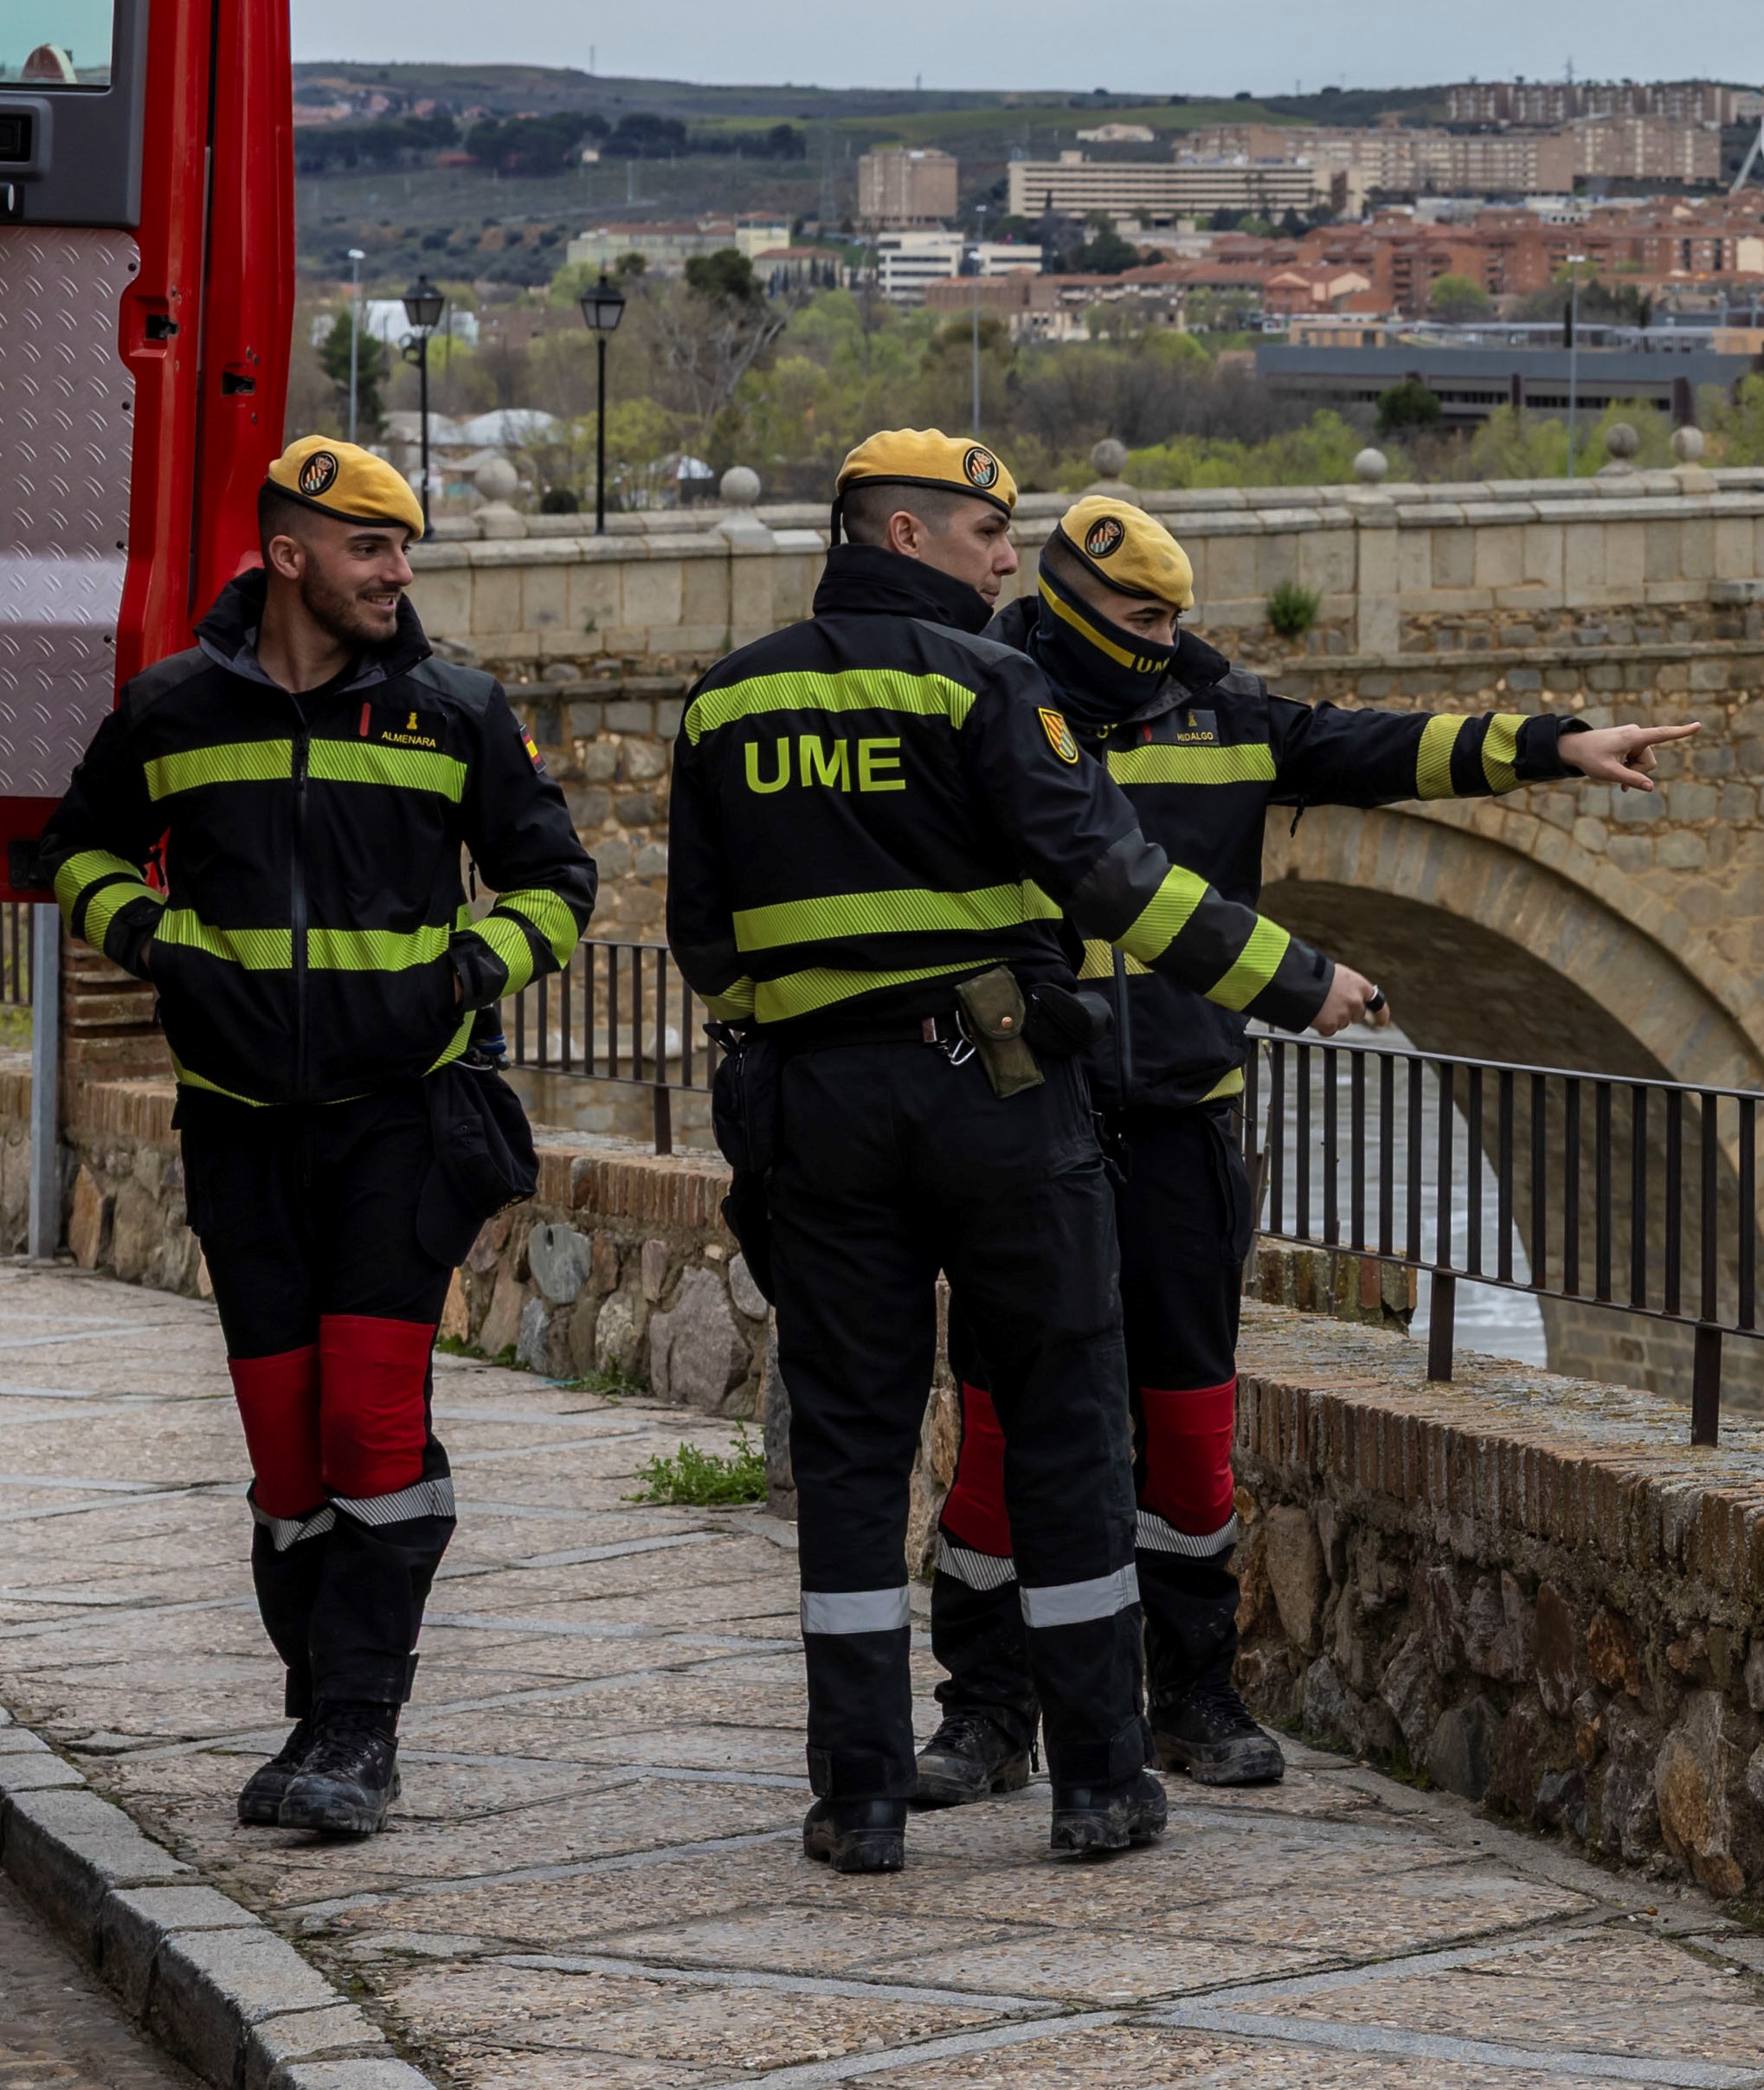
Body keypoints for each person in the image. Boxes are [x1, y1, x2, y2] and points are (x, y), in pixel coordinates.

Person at [667, 434, 1380, 1877]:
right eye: (991, 535)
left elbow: (706, 941)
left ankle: (859, 1798)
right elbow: (1115, 874)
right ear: (911, 533)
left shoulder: (730, 698)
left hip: (815, 1117)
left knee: (859, 1452)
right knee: (1063, 1428)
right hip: (993, 1097)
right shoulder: (991, 685)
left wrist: (805, 1034)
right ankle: (1100, 1784)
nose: (1010, 562)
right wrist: (1299, 983)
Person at [908, 496, 1695, 1802]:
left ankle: (1196, 1694)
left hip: (1182, 1118)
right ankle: (986, 1711)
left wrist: (1555, 745)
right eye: (1141, 620)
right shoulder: (989, 710)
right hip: (1028, 1115)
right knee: (1001, 1427)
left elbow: (1379, 748)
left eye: (1175, 621)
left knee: (1189, 1427)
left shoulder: (1223, 717)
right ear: (1065, 603)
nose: (1165, 642)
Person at [48, 439, 593, 1837]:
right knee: (287, 1455)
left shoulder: (453, 709)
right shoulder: (170, 709)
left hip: (401, 1121)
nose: (398, 574)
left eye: (404, 549)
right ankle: (316, 1714)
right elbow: (77, 852)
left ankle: (363, 1728)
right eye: (372, 548)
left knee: (367, 1418)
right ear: (289, 554)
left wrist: (468, 974)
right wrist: (160, 943)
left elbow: (557, 880)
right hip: (238, 1130)